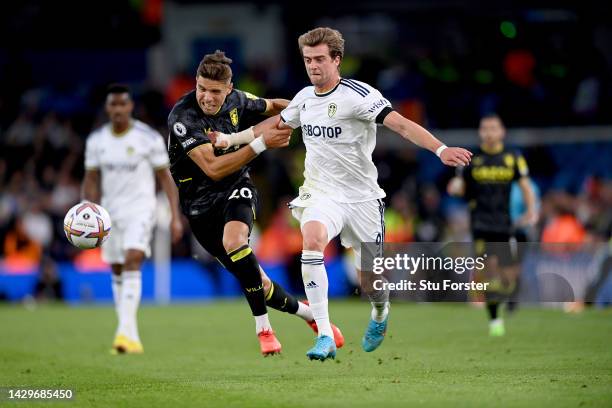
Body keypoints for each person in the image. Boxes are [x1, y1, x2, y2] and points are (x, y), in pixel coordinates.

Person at [217, 28, 472, 361]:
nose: (314, 66)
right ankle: (324, 333)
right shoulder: (305, 98)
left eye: (320, 59)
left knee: (371, 280)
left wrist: (440, 150)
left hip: (362, 198)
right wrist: (229, 141)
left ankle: (380, 311)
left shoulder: (359, 95)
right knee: (311, 240)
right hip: (322, 193)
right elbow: (275, 125)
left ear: (336, 59)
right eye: (308, 60)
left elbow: (401, 125)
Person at [167, 50, 344, 356]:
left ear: (229, 88)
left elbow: (274, 106)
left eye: (215, 91)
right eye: (201, 89)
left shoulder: (238, 100)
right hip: (199, 207)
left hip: (236, 187)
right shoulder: (183, 117)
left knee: (235, 241)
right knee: (258, 283)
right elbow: (212, 167)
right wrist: (262, 142)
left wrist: (310, 111)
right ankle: (310, 316)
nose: (207, 97)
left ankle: (264, 329)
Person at [82, 84, 184, 354]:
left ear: (130, 107)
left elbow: (166, 178)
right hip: (108, 212)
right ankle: (129, 333)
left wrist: (175, 216)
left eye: (122, 104)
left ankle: (123, 332)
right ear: (108, 108)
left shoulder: (147, 138)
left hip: (141, 208)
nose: (117, 109)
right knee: (116, 267)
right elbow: (91, 179)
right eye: (112, 105)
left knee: (133, 258)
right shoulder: (97, 141)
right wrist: (85, 208)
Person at [448, 113, 538, 336]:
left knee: (508, 273)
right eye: (485, 128)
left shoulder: (512, 158)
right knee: (486, 272)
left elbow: (525, 186)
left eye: (493, 128)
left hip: (504, 224)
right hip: (479, 223)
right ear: (480, 132)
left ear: (502, 132)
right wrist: (456, 187)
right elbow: (458, 184)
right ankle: (495, 320)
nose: (489, 132)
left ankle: (511, 294)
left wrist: (531, 211)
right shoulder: (471, 158)